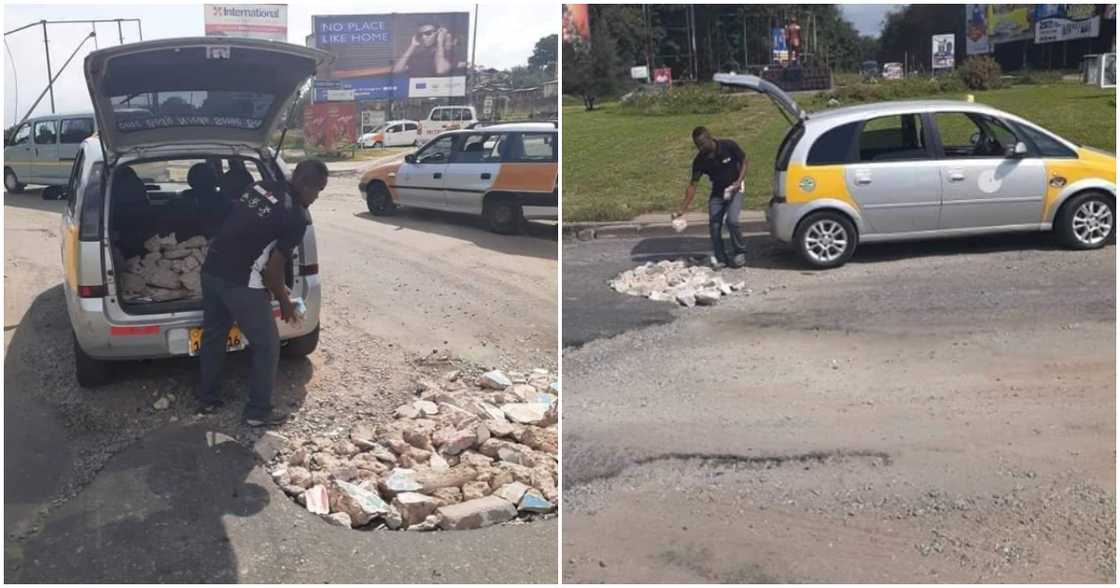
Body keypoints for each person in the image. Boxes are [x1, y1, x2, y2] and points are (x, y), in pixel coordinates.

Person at [195, 160, 329, 426]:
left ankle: (207, 398)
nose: (316, 197)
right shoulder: (296, 216)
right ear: (305, 184)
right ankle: (257, 412)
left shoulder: (259, 187)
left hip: (212, 271)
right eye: (318, 190)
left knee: (213, 335)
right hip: (241, 281)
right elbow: (271, 271)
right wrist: (285, 302)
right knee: (267, 345)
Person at [674, 127, 749, 270]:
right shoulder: (700, 160)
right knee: (714, 225)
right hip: (718, 192)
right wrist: (682, 209)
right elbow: (693, 185)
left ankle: (740, 252)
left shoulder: (728, 146)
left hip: (735, 188)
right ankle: (721, 258)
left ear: (709, 138)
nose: (700, 148)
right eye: (697, 145)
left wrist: (739, 181)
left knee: (732, 220)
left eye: (702, 144)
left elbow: (745, 160)